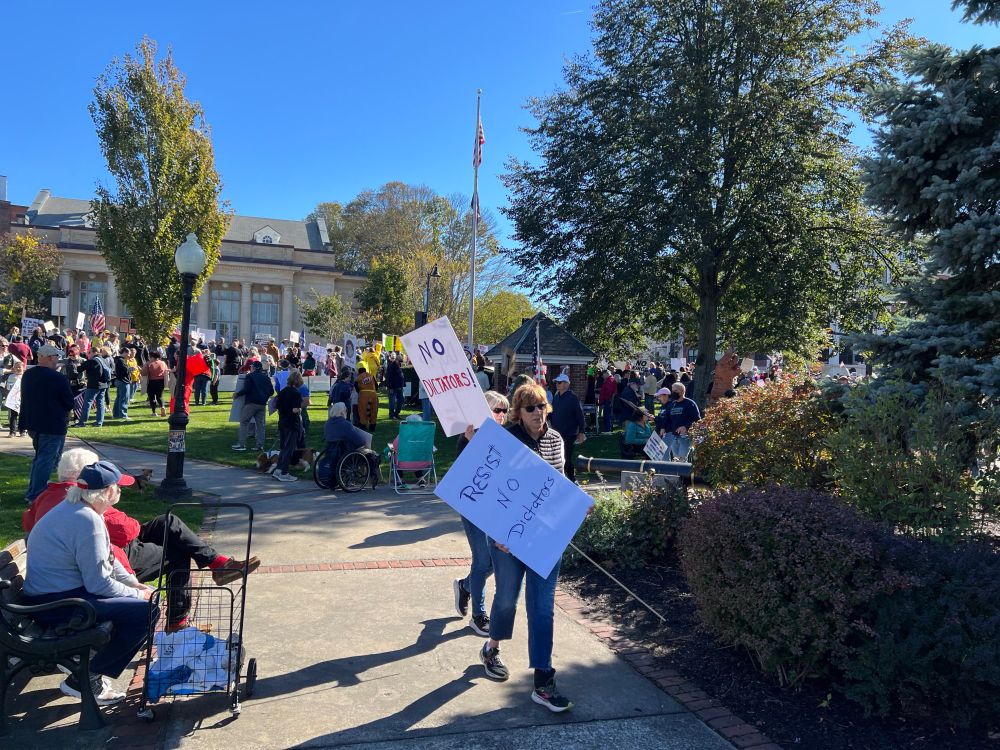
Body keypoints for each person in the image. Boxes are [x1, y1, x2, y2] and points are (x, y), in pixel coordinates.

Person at [21, 460, 156, 705]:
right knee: (147, 611)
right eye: (118, 486)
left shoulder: (78, 508)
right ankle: (85, 679)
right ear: (105, 492)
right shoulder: (87, 520)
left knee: (145, 601)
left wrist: (134, 585)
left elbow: (109, 558)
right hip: (54, 604)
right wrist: (138, 596)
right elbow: (99, 585)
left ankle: (87, 673)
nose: (121, 490)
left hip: (53, 595)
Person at [479, 382, 572, 712]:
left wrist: (576, 505)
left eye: (541, 406)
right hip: (507, 537)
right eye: (529, 408)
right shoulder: (506, 441)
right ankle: (492, 648)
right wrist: (498, 531)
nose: (537, 413)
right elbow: (489, 492)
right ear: (517, 413)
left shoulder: (556, 440)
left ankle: (543, 681)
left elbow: (560, 484)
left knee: (542, 608)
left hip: (545, 536)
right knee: (506, 599)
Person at [453, 391, 509, 637]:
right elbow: (462, 475)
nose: (502, 415)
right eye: (497, 410)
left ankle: (465, 586)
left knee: (495, 562)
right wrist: (470, 443)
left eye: (505, 411)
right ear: (484, 411)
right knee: (482, 560)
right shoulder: (469, 437)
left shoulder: (505, 437)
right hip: (473, 508)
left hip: (497, 508)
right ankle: (479, 616)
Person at [20, 344, 75, 503]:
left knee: (41, 458)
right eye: (57, 357)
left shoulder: (28, 375)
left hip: (33, 423)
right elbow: (68, 402)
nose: (58, 360)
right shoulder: (57, 377)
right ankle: (36, 494)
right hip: (52, 424)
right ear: (50, 357)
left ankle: (33, 490)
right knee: (47, 460)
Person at [548, 373, 586, 481]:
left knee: (566, 457)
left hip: (569, 433)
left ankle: (571, 478)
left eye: (559, 382)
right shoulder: (556, 397)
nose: (557, 384)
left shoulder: (572, 397)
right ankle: (566, 478)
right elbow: (552, 412)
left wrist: (582, 431)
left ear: (566, 384)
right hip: (557, 433)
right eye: (556, 382)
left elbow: (580, 415)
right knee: (558, 457)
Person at [232, 360, 274, 452]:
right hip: (262, 404)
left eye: (251, 367)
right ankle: (259, 445)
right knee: (260, 425)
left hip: (251, 403)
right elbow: (271, 392)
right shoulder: (266, 377)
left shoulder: (250, 376)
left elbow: (246, 389)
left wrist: (237, 394)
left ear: (254, 367)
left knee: (244, 422)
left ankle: (241, 444)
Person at [274, 368, 305, 482]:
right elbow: (295, 410)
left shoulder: (283, 391)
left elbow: (277, 406)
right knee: (289, 448)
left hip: (282, 421)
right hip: (292, 423)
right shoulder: (296, 393)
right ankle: (284, 472)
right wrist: (300, 409)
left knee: (283, 447)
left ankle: (278, 469)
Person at [660, 382, 701, 461]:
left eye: (676, 391)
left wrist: (686, 426)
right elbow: (667, 418)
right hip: (674, 436)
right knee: (676, 459)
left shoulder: (690, 404)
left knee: (681, 460)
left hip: (686, 437)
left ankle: (684, 472)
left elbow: (697, 419)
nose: (673, 393)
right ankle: (678, 473)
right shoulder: (672, 404)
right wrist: (663, 427)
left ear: (682, 391)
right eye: (672, 390)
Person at [77, 348, 113, 427]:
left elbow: (79, 369)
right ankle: (99, 422)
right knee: (100, 403)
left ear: (94, 352)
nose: (88, 355)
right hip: (104, 384)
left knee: (87, 403)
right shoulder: (104, 360)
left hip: (93, 385)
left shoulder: (92, 361)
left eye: (89, 353)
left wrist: (79, 363)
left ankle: (82, 422)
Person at [142, 351, 168, 417]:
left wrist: (140, 370)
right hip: (161, 381)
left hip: (151, 382)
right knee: (160, 396)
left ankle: (154, 412)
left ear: (152, 357)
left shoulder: (149, 363)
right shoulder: (163, 363)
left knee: (152, 397)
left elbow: (144, 373)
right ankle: (162, 406)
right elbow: (166, 371)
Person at [4, 359, 26, 436]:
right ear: (13, 368)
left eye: (20, 367)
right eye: (16, 367)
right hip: (14, 400)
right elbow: (8, 387)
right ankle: (12, 432)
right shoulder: (11, 376)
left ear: (23, 368)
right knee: (13, 416)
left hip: (23, 399)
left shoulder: (26, 376)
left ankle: (22, 431)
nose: (18, 369)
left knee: (23, 416)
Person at [355, 363, 379, 432]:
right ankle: (372, 427)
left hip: (363, 395)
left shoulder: (358, 378)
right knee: (373, 410)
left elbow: (356, 388)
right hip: (373, 394)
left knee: (363, 410)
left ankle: (363, 426)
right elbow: (376, 386)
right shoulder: (371, 376)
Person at [385, 352, 405, 420]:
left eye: (394, 357)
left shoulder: (397, 364)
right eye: (392, 357)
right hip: (393, 387)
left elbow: (400, 376)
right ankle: (392, 415)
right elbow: (389, 377)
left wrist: (401, 385)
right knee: (392, 402)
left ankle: (396, 414)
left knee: (401, 400)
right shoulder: (392, 365)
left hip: (399, 386)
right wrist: (390, 387)